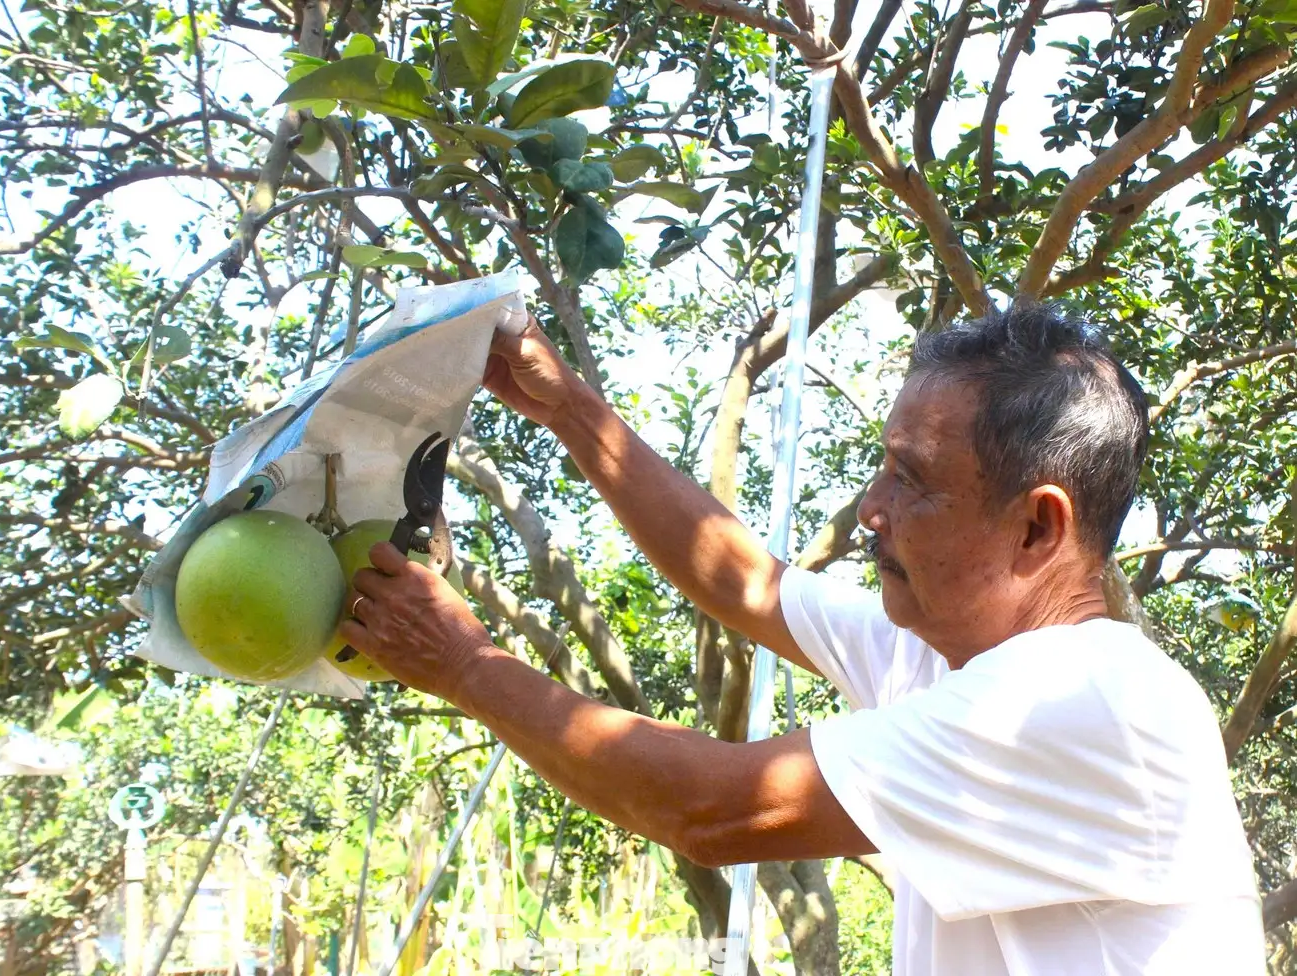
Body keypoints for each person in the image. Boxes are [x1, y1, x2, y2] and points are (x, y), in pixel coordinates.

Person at [340, 303, 1264, 975]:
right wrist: (568, 408)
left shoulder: (1080, 698)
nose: (872, 510)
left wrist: (462, 662)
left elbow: (711, 810)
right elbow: (739, 577)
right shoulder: (950, 644)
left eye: (911, 481)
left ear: (1036, 529)